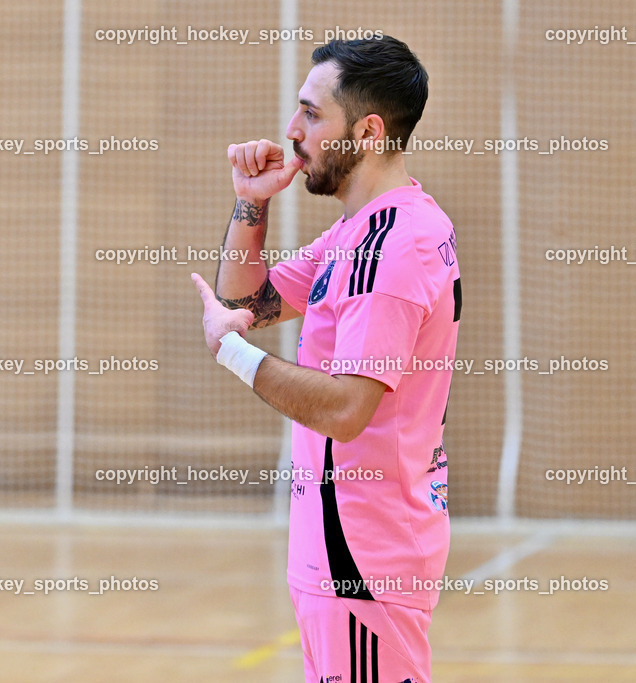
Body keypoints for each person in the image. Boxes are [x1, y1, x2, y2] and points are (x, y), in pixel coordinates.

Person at [191, 35, 460, 683]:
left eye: (312, 114)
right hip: (339, 551)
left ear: (367, 130)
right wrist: (252, 200)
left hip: (364, 555)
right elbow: (247, 298)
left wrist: (230, 351)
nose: (291, 130)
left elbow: (345, 409)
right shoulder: (362, 230)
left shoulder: (390, 247)